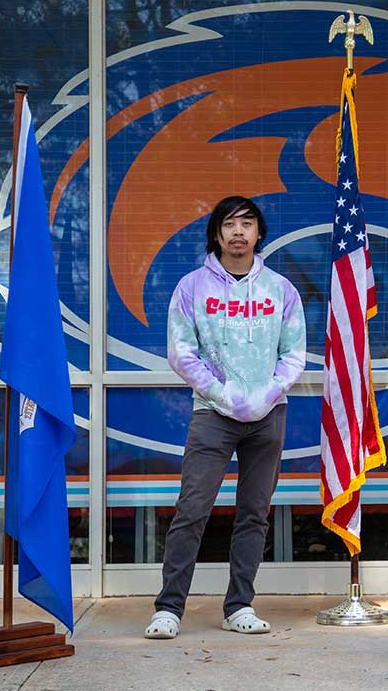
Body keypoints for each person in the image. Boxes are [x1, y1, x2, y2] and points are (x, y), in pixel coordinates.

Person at [145, 196, 306, 639]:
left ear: (259, 234)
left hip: (268, 416)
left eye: (247, 224)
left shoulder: (280, 290)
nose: (238, 232)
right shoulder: (192, 287)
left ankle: (240, 605)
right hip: (212, 414)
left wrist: (267, 393)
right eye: (229, 225)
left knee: (254, 512)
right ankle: (168, 608)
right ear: (216, 234)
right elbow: (181, 352)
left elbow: (294, 353)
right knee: (192, 509)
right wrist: (224, 394)